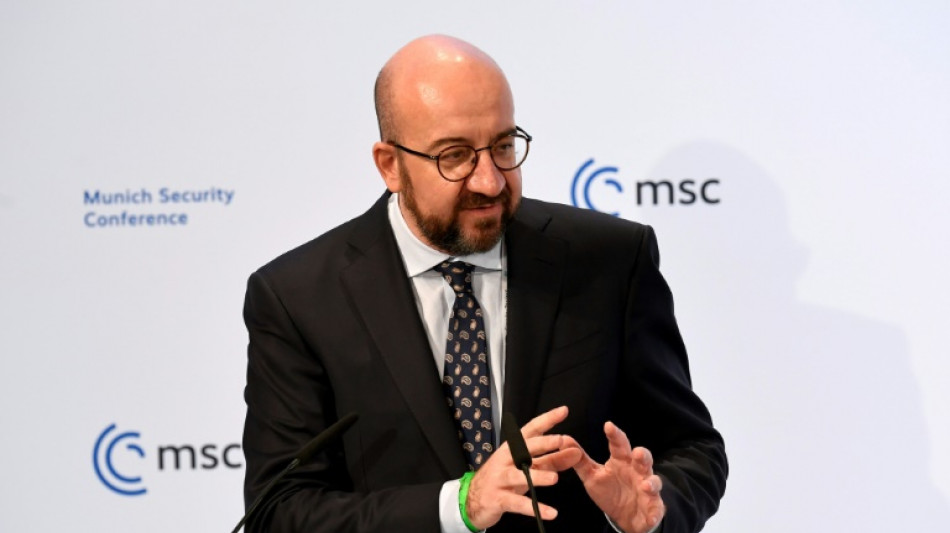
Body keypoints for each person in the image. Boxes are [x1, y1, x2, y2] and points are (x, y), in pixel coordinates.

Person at [241, 35, 727, 533]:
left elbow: (692, 449)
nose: (490, 181)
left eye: (503, 146)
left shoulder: (609, 261)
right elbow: (279, 513)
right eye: (455, 156)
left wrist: (653, 513)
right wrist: (460, 505)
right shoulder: (299, 299)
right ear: (390, 165)